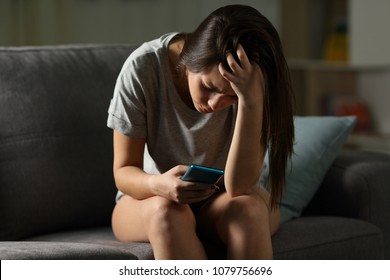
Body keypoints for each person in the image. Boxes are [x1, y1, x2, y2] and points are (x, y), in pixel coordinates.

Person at [107, 4, 294, 259]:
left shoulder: (254, 81)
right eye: (208, 86)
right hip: (150, 198)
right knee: (167, 213)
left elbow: (239, 186)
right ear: (190, 59)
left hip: (224, 199)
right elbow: (124, 172)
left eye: (230, 97)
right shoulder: (144, 68)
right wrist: (159, 184)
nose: (215, 104)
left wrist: (250, 100)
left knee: (249, 211)